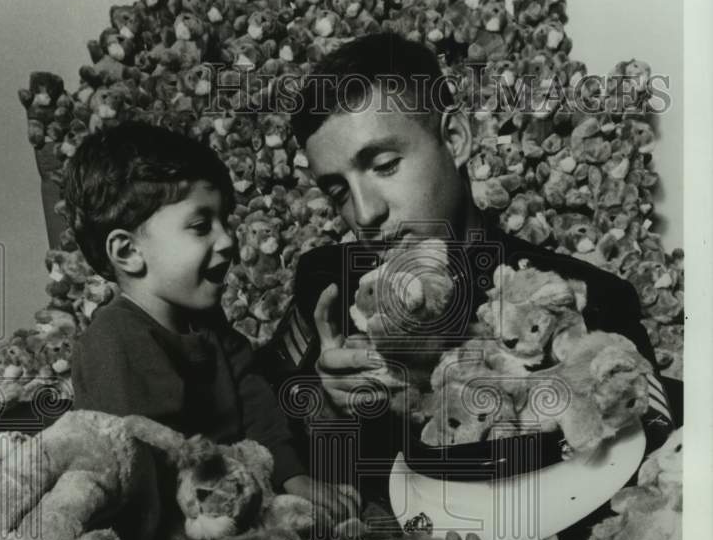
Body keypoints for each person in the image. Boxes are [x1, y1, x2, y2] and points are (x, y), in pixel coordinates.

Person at [257, 32, 676, 509]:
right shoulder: (327, 285)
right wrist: (325, 405)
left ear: (454, 139)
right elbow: (257, 433)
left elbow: (645, 472)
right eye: (337, 191)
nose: (364, 213)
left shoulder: (578, 297)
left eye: (385, 165)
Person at [63, 121, 358, 522]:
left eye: (225, 221)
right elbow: (150, 474)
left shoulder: (209, 326)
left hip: (228, 499)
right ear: (129, 251)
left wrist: (293, 477)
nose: (228, 240)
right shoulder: (115, 339)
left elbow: (258, 409)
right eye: (202, 226)